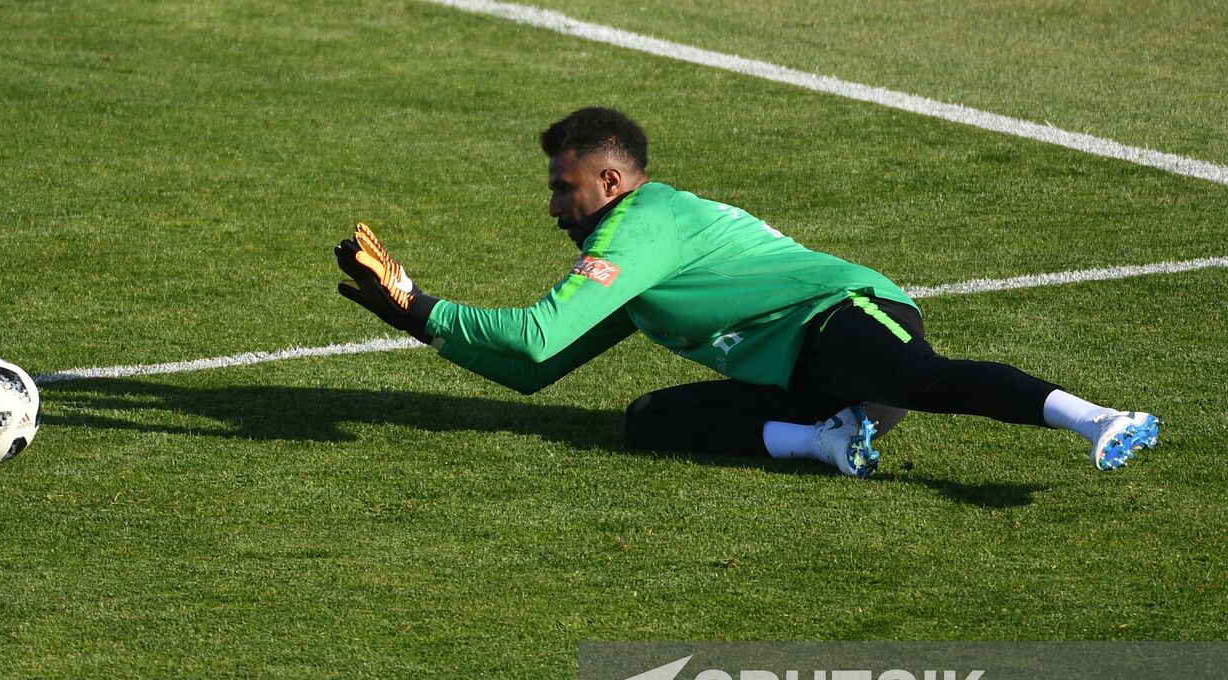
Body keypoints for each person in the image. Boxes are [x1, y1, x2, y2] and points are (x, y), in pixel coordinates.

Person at [334, 107, 1159, 477]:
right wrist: (415, 323)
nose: (555, 207)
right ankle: (833, 443)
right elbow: (533, 373)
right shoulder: (631, 254)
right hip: (805, 380)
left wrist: (416, 301)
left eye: (565, 188)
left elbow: (537, 333)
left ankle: (1096, 418)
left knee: (920, 380)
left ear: (612, 179)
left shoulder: (644, 223)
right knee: (649, 422)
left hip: (843, 318)